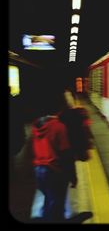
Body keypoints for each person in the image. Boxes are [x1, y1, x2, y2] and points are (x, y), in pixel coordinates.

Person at [31, 88, 77, 222]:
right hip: (54, 171)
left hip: (39, 170)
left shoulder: (37, 125)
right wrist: (73, 176)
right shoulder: (58, 127)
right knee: (57, 205)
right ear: (59, 108)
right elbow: (66, 153)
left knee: (48, 202)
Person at [59, 88, 93, 162]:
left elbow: (85, 130)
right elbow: (84, 130)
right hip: (72, 149)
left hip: (74, 149)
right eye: (67, 97)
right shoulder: (78, 113)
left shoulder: (63, 116)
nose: (68, 100)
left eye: (69, 97)